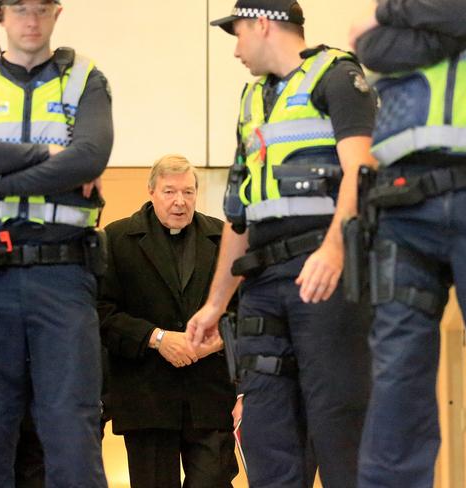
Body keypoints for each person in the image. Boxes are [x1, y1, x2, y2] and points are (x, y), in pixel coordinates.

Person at [187, 0, 377, 486]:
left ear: (261, 24)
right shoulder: (251, 100)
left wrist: (335, 248)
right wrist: (214, 304)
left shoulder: (336, 76)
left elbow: (363, 168)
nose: (234, 51)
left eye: (237, 34)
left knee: (338, 431)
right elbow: (238, 212)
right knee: (265, 434)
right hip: (262, 286)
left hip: (323, 277)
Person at [0, 0, 113, 485]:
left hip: (62, 275)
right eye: (19, 9)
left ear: (57, 13)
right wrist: (51, 154)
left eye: (40, 9)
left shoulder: (85, 78)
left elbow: (91, 157)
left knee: (72, 427)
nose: (30, 20)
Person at [348, 1, 466, 487]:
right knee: (397, 375)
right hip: (402, 201)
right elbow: (370, 44)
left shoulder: (403, 8)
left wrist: (399, 14)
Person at [98, 155, 238, 488]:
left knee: (214, 480)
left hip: (209, 394)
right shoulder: (117, 239)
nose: (180, 201)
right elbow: (102, 313)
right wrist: (158, 338)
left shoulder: (222, 238)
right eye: (170, 192)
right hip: (147, 397)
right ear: (151, 192)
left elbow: (241, 310)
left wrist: (215, 342)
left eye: (188, 192)